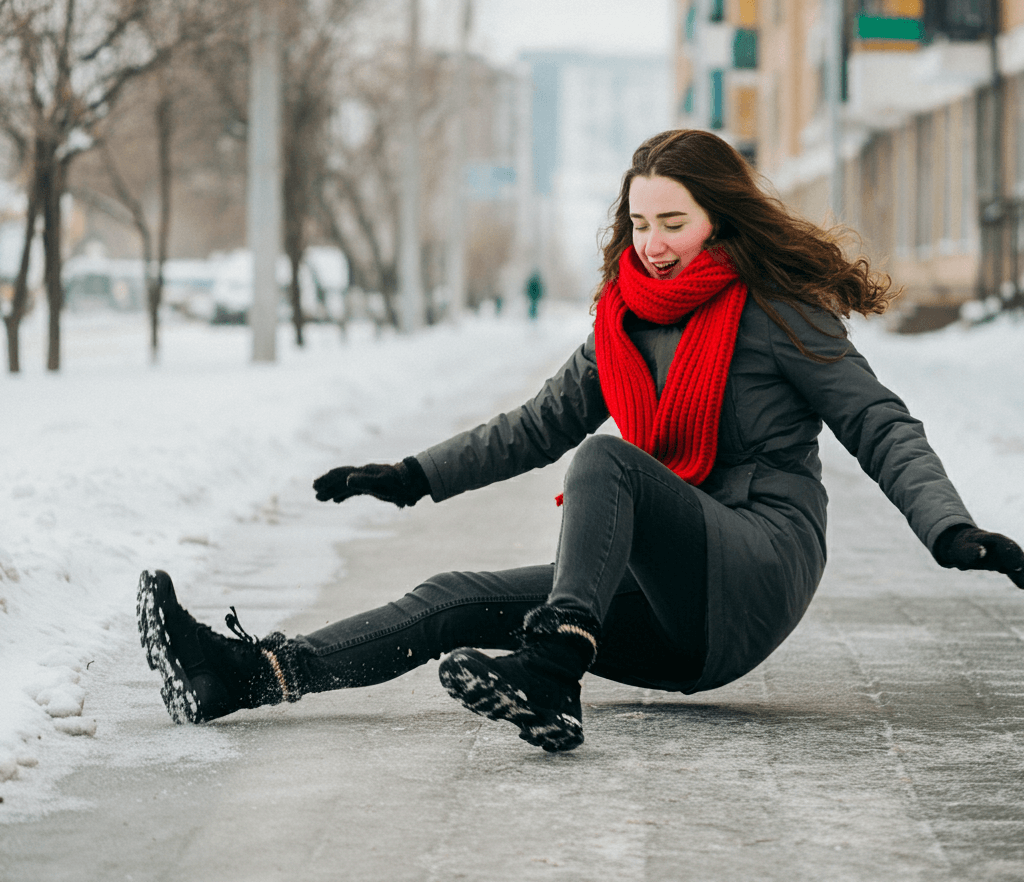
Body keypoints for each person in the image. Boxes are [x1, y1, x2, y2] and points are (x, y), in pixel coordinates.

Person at [137, 129, 1024, 754]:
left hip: (757, 568)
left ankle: (555, 663)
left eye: (673, 223)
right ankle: (251, 676)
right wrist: (410, 476)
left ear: (720, 216)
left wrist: (949, 529)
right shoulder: (625, 322)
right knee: (459, 594)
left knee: (607, 462)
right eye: (641, 224)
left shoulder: (778, 309)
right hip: (667, 600)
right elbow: (536, 423)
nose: (655, 243)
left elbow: (877, 420)